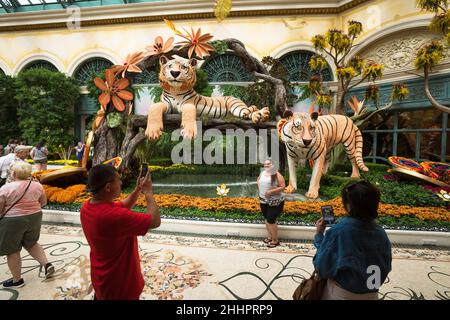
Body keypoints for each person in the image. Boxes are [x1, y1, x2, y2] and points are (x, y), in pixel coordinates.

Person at [80, 164, 161, 300]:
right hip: (121, 285)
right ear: (108, 187)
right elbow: (154, 221)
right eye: (118, 179)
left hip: (103, 280)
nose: (121, 182)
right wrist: (148, 192)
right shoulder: (115, 217)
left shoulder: (87, 207)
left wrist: (138, 189)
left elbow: (124, 205)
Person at [313, 180, 392, 300]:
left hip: (342, 294)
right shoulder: (381, 233)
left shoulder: (339, 231)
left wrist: (319, 235)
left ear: (349, 204)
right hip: (372, 295)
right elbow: (386, 265)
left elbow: (322, 267)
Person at [0, 161, 55, 289]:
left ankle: (17, 280)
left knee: (12, 250)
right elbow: (43, 202)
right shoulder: (37, 185)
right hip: (35, 217)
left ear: (13, 173)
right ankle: (47, 265)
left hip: (13, 220)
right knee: (31, 243)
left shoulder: (6, 188)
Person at [257, 159, 286, 248]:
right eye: (265, 164)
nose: (266, 166)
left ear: (273, 165)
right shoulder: (262, 173)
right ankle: (270, 237)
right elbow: (258, 180)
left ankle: (275, 240)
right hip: (263, 200)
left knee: (270, 220)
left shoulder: (276, 174)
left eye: (268, 164)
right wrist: (261, 190)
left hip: (275, 202)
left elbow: (283, 186)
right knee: (266, 219)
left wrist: (271, 192)